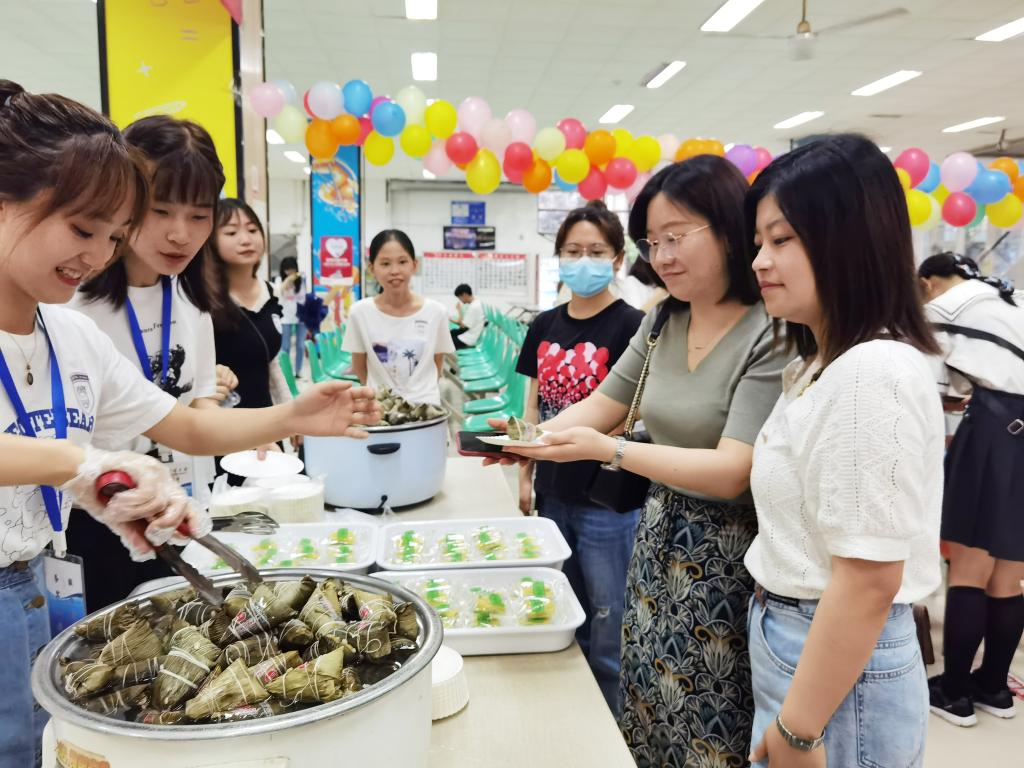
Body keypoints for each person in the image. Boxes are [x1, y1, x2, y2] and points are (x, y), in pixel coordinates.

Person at [0, 81, 380, 768]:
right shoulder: (85, 315)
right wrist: (80, 464)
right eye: (83, 229)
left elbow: (182, 425)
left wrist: (295, 414)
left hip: (32, 588)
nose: (98, 254)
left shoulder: (70, 336)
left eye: (113, 235)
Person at [499, 156, 787, 767]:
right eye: (653, 243)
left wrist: (612, 450)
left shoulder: (772, 330)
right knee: (648, 696)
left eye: (676, 237)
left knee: (711, 715)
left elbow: (733, 470)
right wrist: (527, 439)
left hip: (728, 557)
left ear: (729, 230)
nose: (662, 257)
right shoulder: (662, 320)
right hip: (658, 541)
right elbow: (602, 404)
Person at [743, 134, 944, 768]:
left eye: (782, 239)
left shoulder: (870, 373)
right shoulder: (821, 364)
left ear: (849, 240)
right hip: (802, 641)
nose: (760, 261)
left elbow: (868, 579)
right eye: (758, 242)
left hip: (832, 661)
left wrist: (799, 729)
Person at [515, 201, 645, 715]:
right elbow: (533, 405)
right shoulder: (544, 324)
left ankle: (609, 722)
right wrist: (525, 476)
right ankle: (569, 714)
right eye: (572, 251)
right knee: (562, 611)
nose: (583, 260)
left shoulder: (634, 325)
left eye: (595, 251)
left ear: (617, 258)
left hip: (606, 500)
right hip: (553, 492)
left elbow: (634, 411)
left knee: (608, 619)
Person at [917, 252, 1024, 726]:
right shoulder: (1012, 298)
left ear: (928, 282)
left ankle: (954, 692)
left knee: (968, 569)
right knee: (1008, 575)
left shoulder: (946, 307)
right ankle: (995, 687)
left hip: (994, 433)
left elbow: (926, 386)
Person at [343, 229, 455, 406]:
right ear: (371, 268)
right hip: (380, 410)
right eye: (385, 264)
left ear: (414, 265)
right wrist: (380, 398)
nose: (394, 271)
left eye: (402, 262)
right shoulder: (360, 312)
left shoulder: (436, 312)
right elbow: (358, 367)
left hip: (426, 409)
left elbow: (437, 365)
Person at [210, 198, 289, 410]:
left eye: (253, 230)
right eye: (231, 232)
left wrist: (290, 410)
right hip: (224, 421)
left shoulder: (270, 292)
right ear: (210, 241)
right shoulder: (204, 299)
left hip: (267, 418)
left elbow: (272, 363)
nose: (246, 240)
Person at [276, 255, 306, 378]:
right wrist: (287, 281)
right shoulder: (279, 280)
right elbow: (278, 295)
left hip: (301, 317)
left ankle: (298, 371)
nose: (290, 272)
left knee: (300, 345)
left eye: (292, 269)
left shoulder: (301, 280)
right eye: (287, 269)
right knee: (285, 347)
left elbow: (303, 298)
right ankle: (285, 372)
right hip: (285, 317)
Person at [450, 282, 485, 350]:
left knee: (446, 341)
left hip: (469, 339)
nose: (460, 300)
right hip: (470, 335)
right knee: (450, 334)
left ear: (464, 294)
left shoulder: (474, 307)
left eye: (459, 297)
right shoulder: (476, 303)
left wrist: (459, 311)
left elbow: (463, 326)